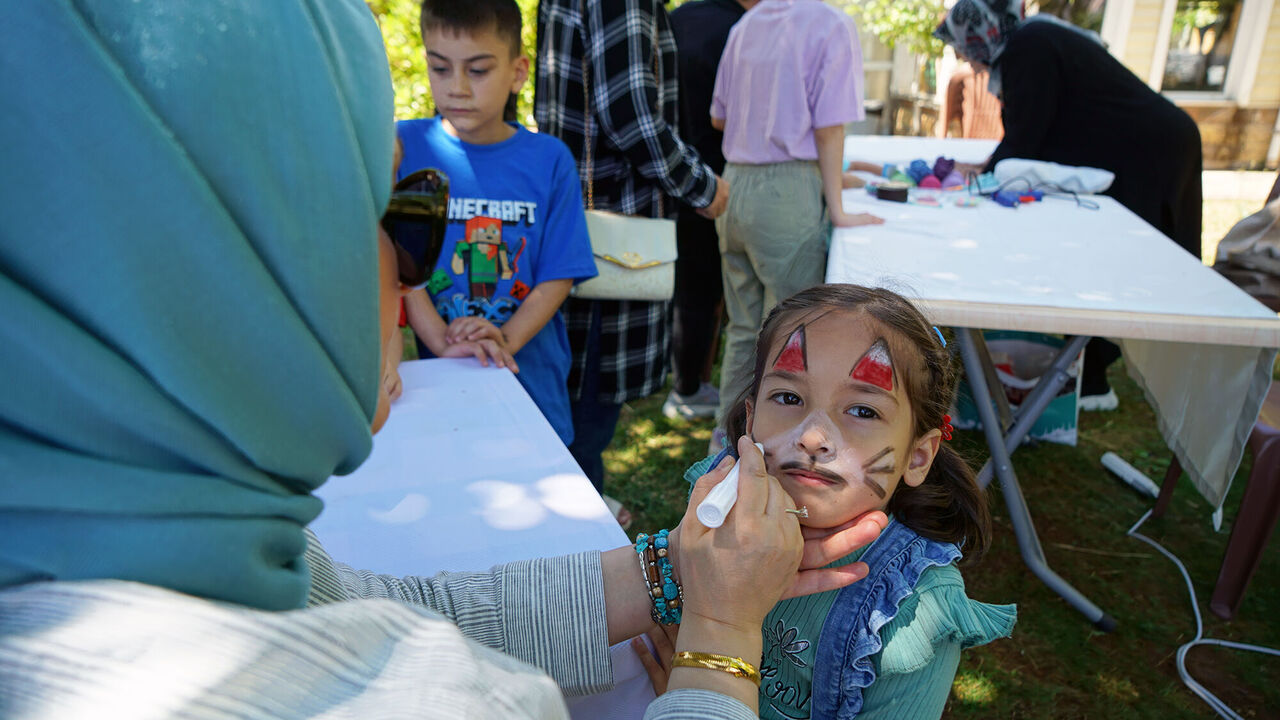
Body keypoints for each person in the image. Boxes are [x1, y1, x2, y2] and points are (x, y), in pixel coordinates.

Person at [0, 2, 889, 718]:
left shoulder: (153, 558)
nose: (405, 268)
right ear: (241, 260)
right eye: (394, 210)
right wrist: (720, 638)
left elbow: (391, 612)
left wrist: (669, 570)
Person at [641, 285, 1017, 718]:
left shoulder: (914, 614)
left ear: (917, 457)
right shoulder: (716, 506)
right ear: (751, 418)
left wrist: (699, 689)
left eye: (862, 411)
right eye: (788, 398)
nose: (812, 437)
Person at [934, 0, 1204, 410]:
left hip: (1151, 153)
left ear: (982, 31)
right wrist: (991, 166)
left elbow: (1028, 134)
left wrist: (988, 171)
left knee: (1125, 263)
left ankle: (1097, 379)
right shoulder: (1031, 38)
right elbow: (1031, 133)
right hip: (1145, 147)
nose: (971, 61)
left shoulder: (1030, 48)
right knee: (1110, 259)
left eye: (967, 47)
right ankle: (1089, 372)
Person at [534, 0, 730, 492]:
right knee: (584, 417)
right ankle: (578, 538)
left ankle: (577, 512)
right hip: (611, 235)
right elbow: (630, 117)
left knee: (571, 405)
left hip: (578, 223)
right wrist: (703, 187)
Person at [397, 0, 598, 447]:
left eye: (478, 70)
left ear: (518, 71)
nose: (457, 88)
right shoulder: (402, 149)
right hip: (441, 378)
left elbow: (559, 273)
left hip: (530, 377)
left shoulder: (549, 160)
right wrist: (442, 342)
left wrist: (503, 337)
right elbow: (396, 265)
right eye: (440, 68)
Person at [708, 0, 884, 447]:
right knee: (793, 338)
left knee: (746, 328)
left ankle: (726, 447)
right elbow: (829, 129)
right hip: (787, 194)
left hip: (735, 184)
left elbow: (719, 117)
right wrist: (838, 206)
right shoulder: (831, 24)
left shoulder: (747, 24)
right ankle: (771, 452)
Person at [662, 0, 759, 421]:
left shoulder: (676, 17)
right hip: (718, 176)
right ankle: (687, 388)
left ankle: (685, 381)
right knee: (706, 290)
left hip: (669, 167)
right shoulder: (745, 28)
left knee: (686, 285)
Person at [937, 61, 1003, 140]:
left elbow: (944, 121)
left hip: (972, 142)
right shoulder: (960, 77)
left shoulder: (960, 75)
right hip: (1003, 144)